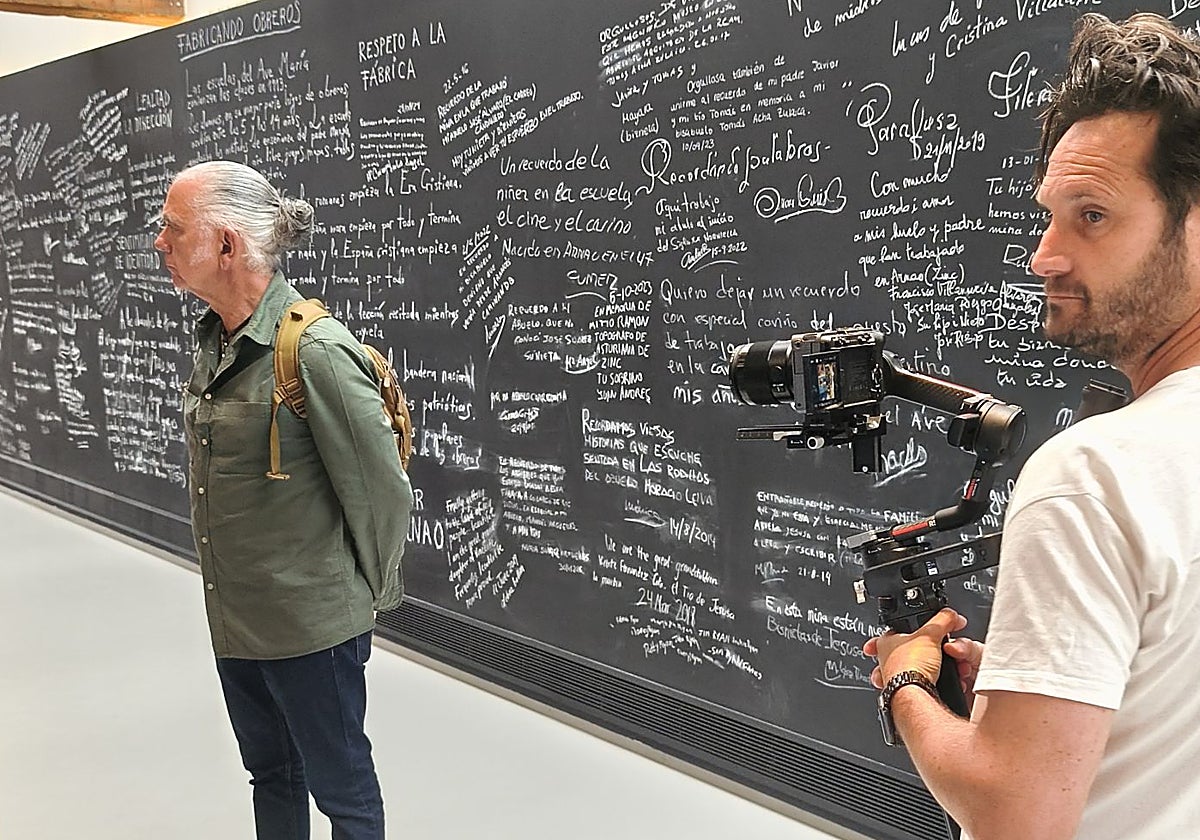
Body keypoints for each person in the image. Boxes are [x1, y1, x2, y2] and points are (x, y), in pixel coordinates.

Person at [865, 12, 1200, 839]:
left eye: (1092, 215)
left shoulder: (1095, 474)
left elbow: (1014, 816)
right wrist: (1044, 703)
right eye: (1050, 213)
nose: (1042, 255)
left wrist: (908, 683)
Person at [155, 160, 413, 840]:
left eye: (174, 229)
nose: (161, 243)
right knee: (271, 776)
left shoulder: (316, 351)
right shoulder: (217, 344)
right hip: (239, 616)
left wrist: (362, 599)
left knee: (342, 792)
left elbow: (382, 492)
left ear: (229, 246)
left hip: (312, 626)